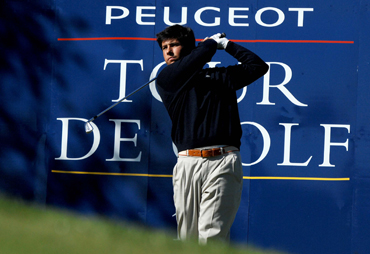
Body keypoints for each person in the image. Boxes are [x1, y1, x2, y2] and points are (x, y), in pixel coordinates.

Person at [155, 25, 269, 244]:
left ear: (188, 48)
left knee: (211, 237)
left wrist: (226, 45)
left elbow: (258, 66)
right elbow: (190, 64)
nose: (168, 51)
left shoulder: (220, 76)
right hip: (188, 163)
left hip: (223, 161)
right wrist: (210, 44)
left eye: (174, 45)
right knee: (187, 238)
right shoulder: (167, 80)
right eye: (164, 47)